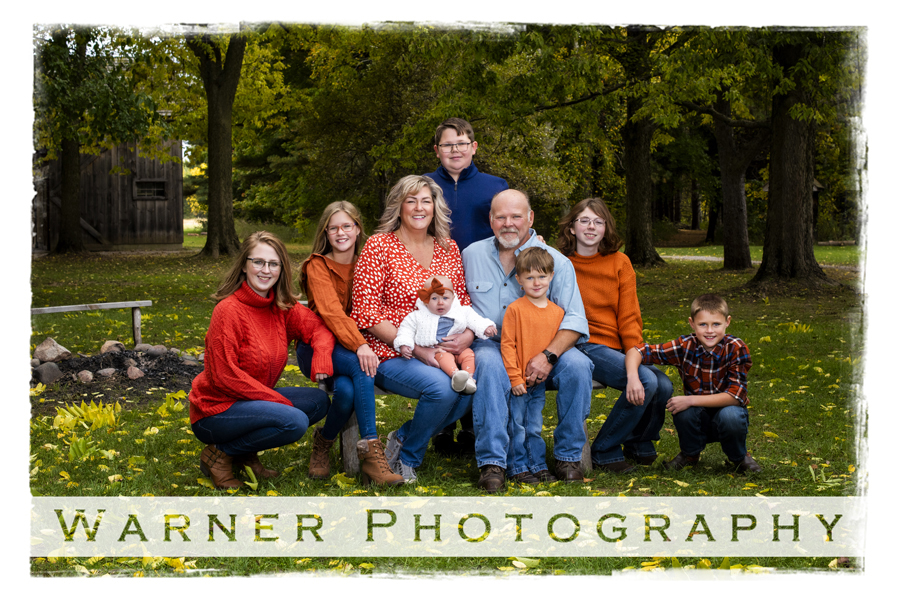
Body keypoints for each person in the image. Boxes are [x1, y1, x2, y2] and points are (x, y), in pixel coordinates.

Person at [462, 189, 594, 493]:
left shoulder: (556, 262)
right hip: (492, 344)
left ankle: (567, 456)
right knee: (488, 365)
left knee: (579, 365)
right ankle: (493, 461)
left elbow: (574, 320)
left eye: (516, 216)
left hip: (547, 345)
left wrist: (548, 356)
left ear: (530, 218)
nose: (509, 223)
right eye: (501, 217)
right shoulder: (471, 255)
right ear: (491, 220)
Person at [351, 175, 473, 483]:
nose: (419, 208)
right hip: (393, 350)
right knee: (443, 389)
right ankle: (409, 458)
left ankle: (403, 438)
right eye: (411, 200)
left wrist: (466, 337)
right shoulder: (379, 246)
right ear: (399, 206)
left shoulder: (448, 248)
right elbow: (366, 311)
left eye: (426, 201)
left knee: (474, 384)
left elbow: (463, 301)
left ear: (435, 207)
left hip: (444, 347)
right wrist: (418, 349)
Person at [189, 231, 334, 489]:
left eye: (273, 263)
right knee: (294, 420)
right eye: (258, 262)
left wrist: (322, 355)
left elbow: (317, 328)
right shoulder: (228, 311)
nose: (265, 270)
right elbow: (225, 377)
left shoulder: (280, 306)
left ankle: (244, 453)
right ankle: (220, 454)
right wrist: (279, 402)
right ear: (244, 265)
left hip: (252, 400)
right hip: (216, 410)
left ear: (281, 269)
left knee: (318, 401)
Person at [557, 198, 673, 474]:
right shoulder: (559, 263)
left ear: (606, 228)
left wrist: (634, 351)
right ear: (572, 228)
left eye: (598, 221)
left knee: (663, 384)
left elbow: (630, 316)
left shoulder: (620, 262)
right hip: (582, 343)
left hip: (616, 346)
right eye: (583, 220)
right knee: (645, 380)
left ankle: (638, 443)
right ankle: (605, 450)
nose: (591, 226)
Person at [298, 202, 404, 486]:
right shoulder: (316, 265)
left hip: (352, 347)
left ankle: (322, 443)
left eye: (347, 226)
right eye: (333, 227)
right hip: (319, 348)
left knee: (344, 393)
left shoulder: (367, 263)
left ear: (358, 229)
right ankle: (372, 452)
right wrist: (360, 345)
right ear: (326, 232)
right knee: (363, 368)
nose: (340, 232)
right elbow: (331, 312)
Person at [425, 117, 509, 455]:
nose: (454, 150)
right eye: (447, 145)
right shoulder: (425, 185)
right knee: (442, 340)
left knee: (470, 343)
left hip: (480, 277)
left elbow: (511, 224)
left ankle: (473, 427)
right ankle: (442, 428)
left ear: (474, 147)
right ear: (437, 150)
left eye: (461, 144)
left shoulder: (494, 185)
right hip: (435, 279)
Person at [624, 293, 762, 473]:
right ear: (692, 323)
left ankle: (738, 457)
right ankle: (690, 455)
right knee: (684, 411)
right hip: (698, 416)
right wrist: (633, 378)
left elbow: (735, 397)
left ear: (727, 322)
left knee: (729, 416)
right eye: (703, 324)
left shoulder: (736, 347)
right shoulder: (685, 345)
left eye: (716, 324)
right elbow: (638, 351)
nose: (710, 331)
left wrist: (690, 400)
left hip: (729, 411)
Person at [500, 247, 563, 484]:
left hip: (539, 384)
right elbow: (507, 346)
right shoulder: (515, 310)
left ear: (551, 276)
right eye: (529, 277)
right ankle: (517, 467)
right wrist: (515, 379)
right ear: (519, 280)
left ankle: (537, 464)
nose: (536, 282)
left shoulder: (557, 313)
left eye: (542, 276)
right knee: (516, 425)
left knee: (534, 425)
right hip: (518, 383)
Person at [394, 275, 497, 394]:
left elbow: (475, 320)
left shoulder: (462, 311)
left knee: (469, 354)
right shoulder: (417, 316)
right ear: (425, 300)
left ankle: (469, 378)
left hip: (460, 349)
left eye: (445, 298)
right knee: (445, 357)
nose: (440, 303)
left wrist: (486, 327)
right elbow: (406, 330)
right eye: (434, 298)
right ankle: (455, 375)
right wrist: (405, 344)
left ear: (453, 298)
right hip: (439, 351)